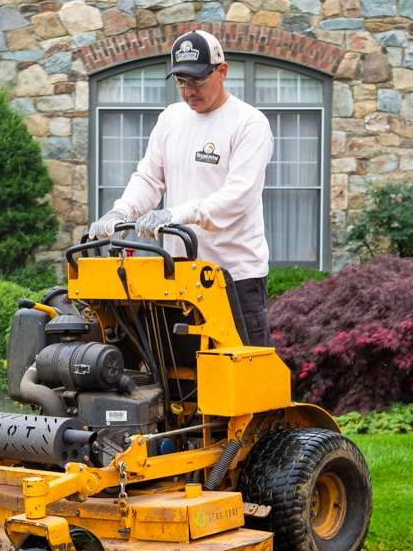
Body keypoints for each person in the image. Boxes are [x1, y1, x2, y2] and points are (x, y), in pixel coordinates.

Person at [87, 30, 275, 347]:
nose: (189, 91)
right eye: (181, 82)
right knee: (176, 383)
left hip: (233, 278)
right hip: (178, 278)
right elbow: (149, 178)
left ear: (222, 71)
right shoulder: (170, 119)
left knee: (240, 383)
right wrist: (122, 210)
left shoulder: (248, 123)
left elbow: (238, 197)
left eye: (197, 81)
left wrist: (176, 215)